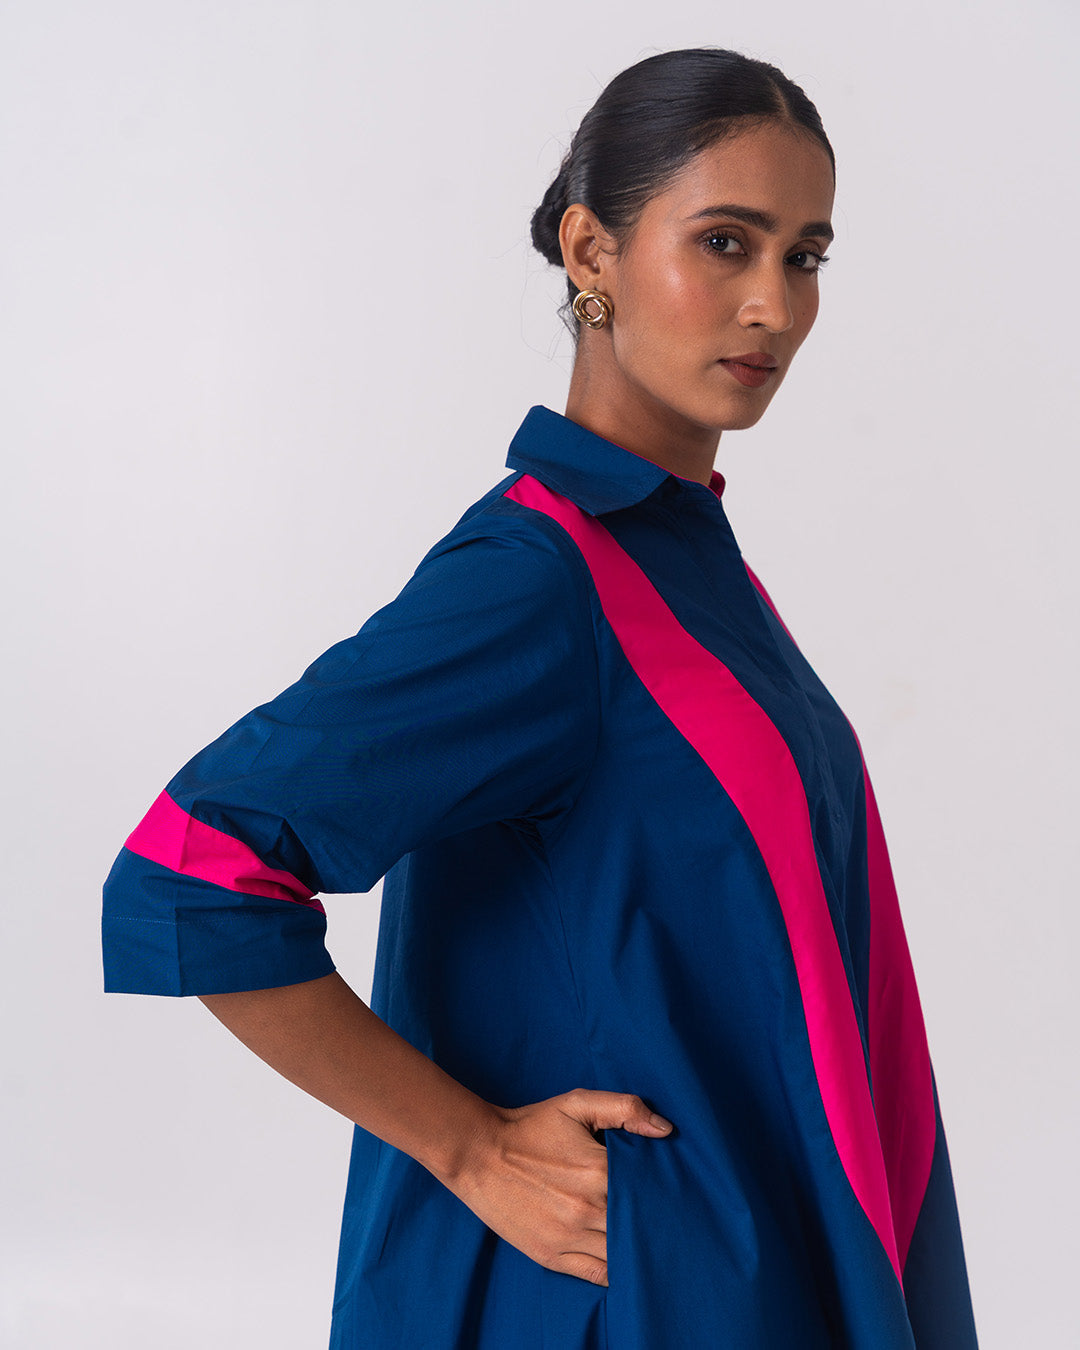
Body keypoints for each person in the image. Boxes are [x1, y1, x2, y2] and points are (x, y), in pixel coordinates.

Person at [102, 47, 978, 1349]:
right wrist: (470, 1146)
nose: (774, 306)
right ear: (590, 249)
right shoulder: (540, 580)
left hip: (737, 1264)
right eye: (725, 243)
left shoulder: (681, 557)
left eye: (805, 257)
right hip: (622, 1290)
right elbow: (191, 871)